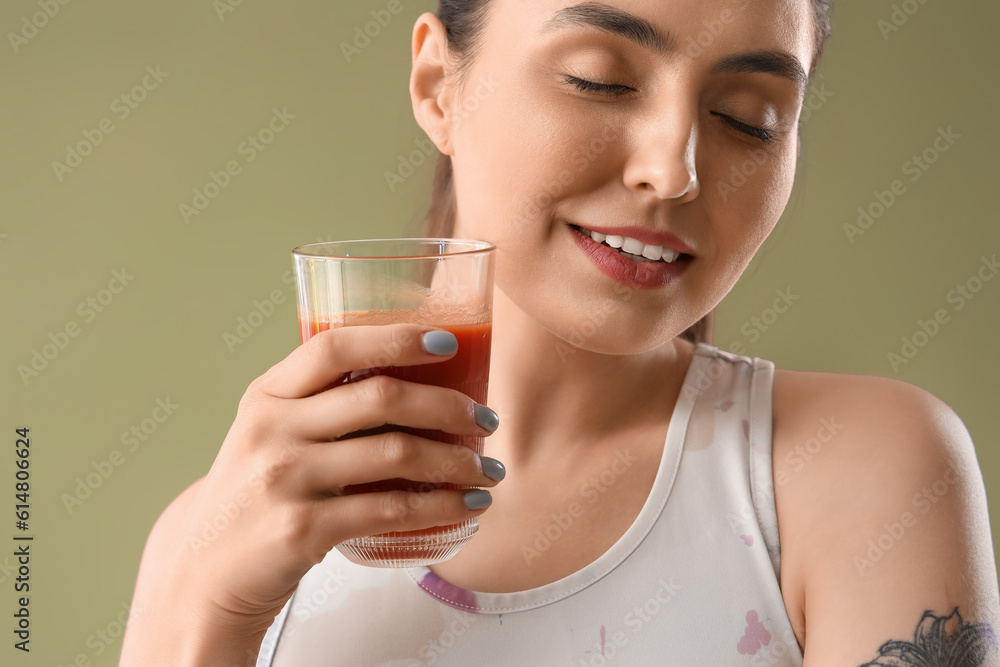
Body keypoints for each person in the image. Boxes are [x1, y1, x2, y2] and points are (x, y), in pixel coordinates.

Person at [120, 1, 1000, 665]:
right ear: (437, 86)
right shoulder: (211, 540)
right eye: (598, 77)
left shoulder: (863, 472)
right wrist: (207, 613)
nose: (672, 168)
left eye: (749, 116)